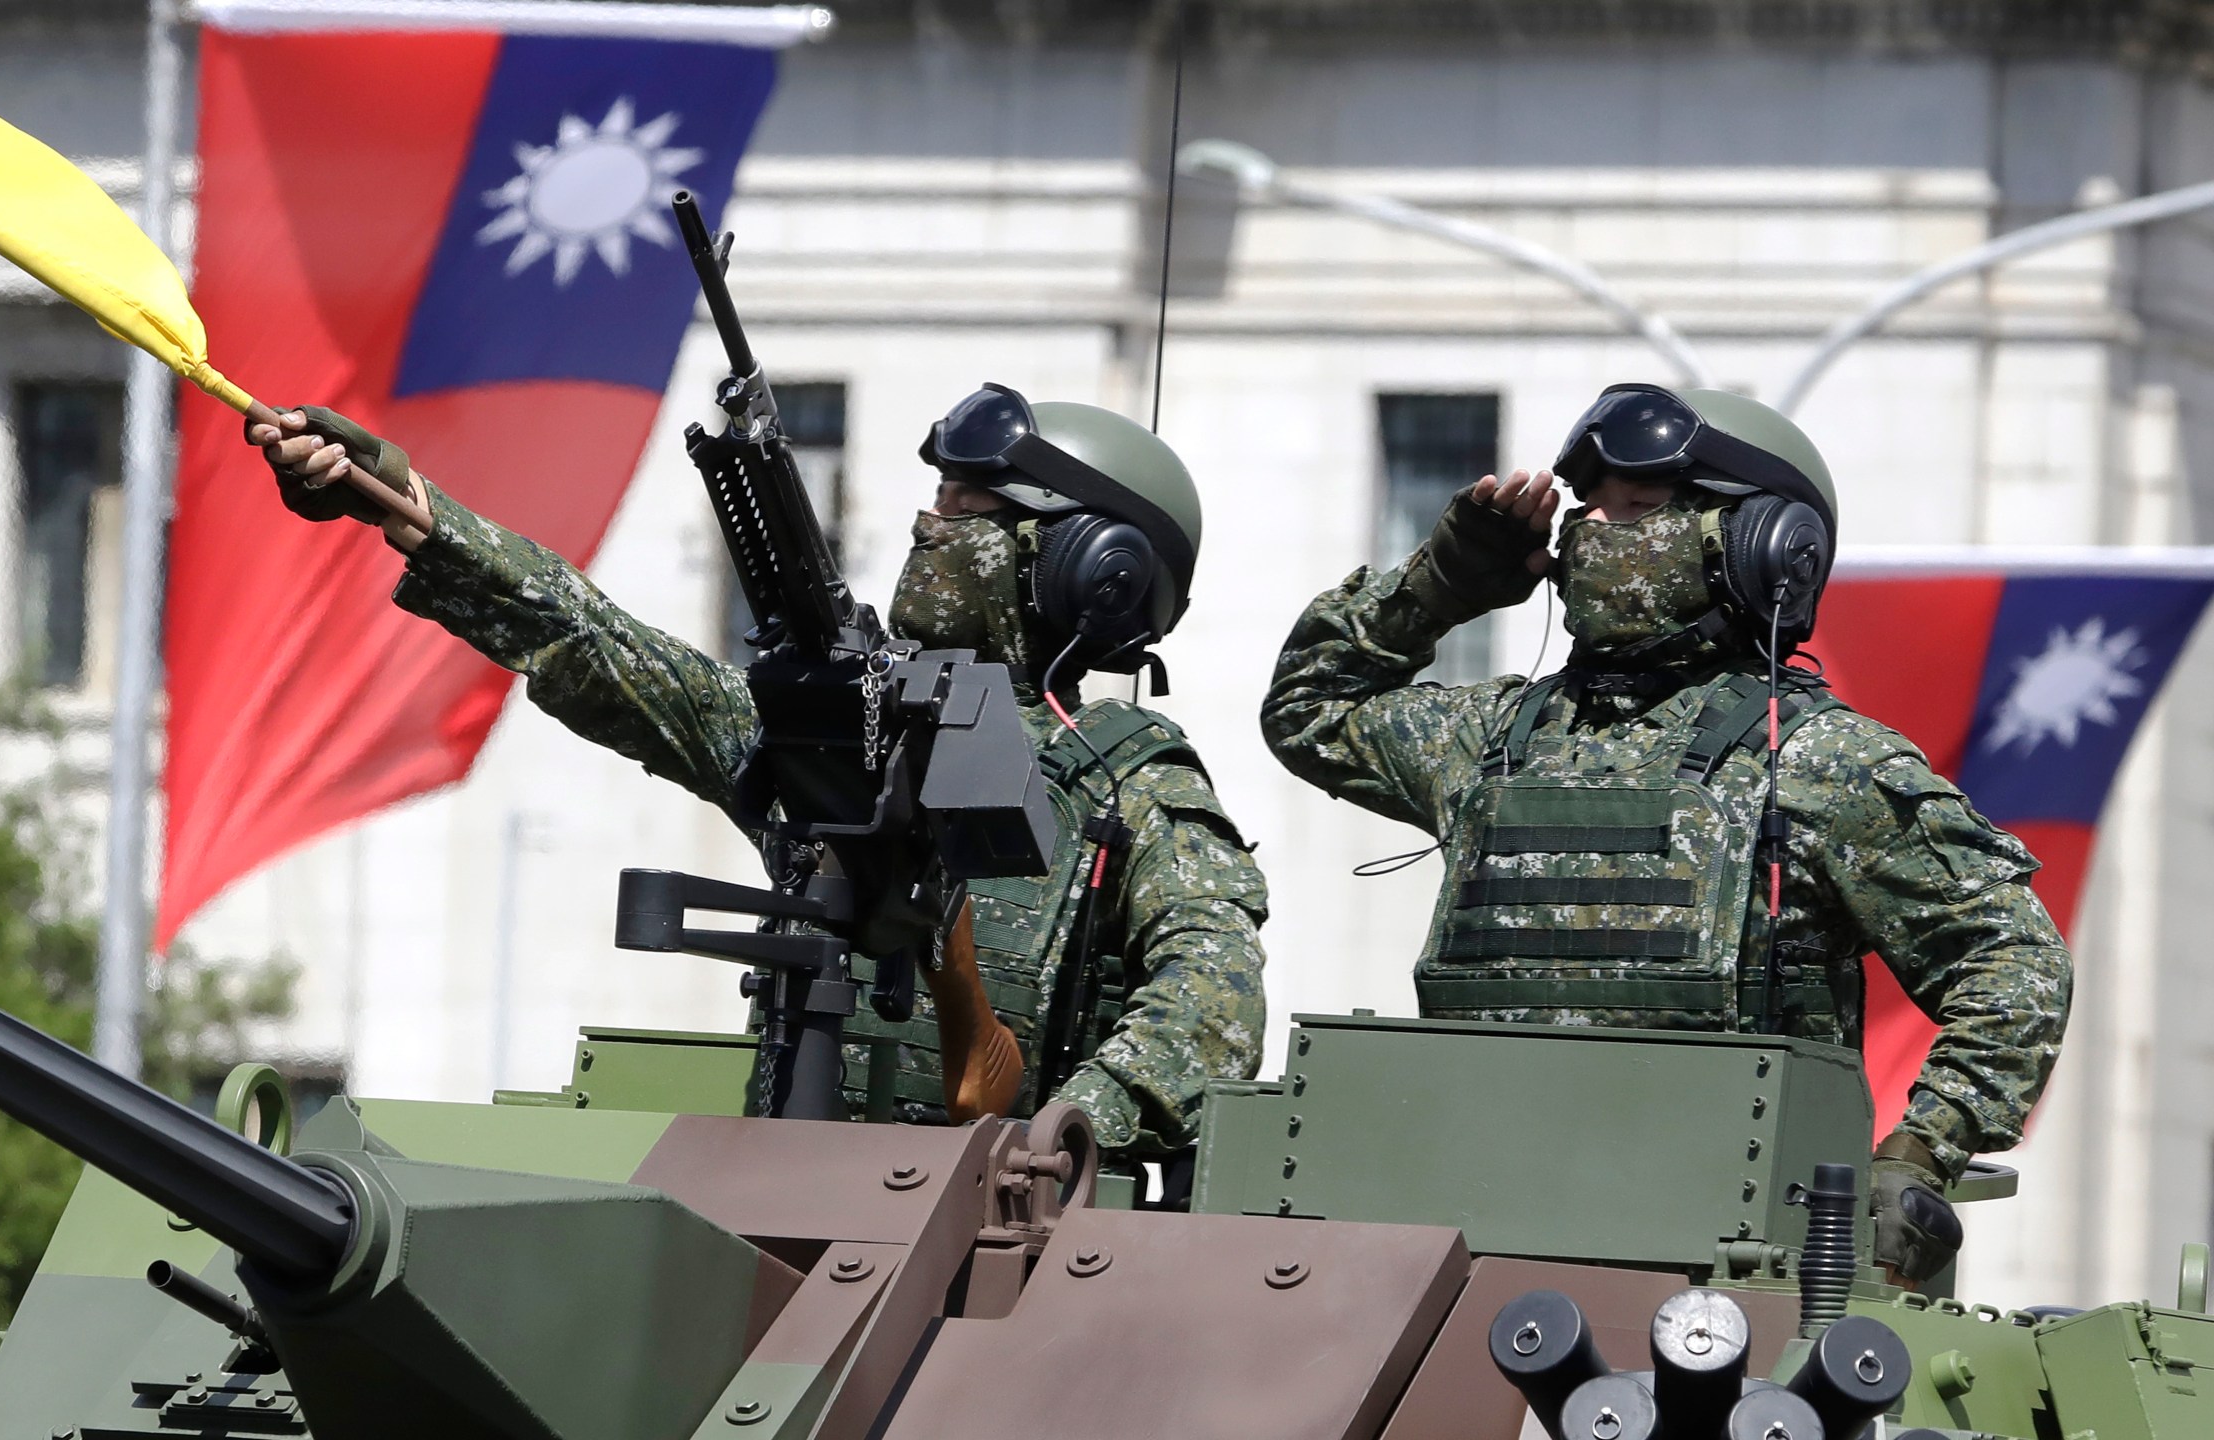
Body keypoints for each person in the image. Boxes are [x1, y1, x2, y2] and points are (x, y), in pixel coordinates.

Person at [247, 383, 1268, 1164]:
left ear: (1088, 564)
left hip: (993, 1238)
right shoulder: (845, 726)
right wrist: (410, 508)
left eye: (969, 505)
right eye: (935, 495)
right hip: (781, 1184)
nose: (931, 523)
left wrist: (1059, 1138)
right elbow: (599, 648)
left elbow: (1210, 1006)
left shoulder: (1130, 785)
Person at [1260, 383, 2071, 1283]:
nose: (1597, 530)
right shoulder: (1486, 740)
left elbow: (2012, 961)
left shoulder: (1820, 762)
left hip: (1722, 1273)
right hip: (1455, 1239)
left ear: (1765, 547)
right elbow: (1309, 707)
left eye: (1640, 507)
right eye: (1591, 506)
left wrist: (1923, 1150)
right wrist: (1441, 584)